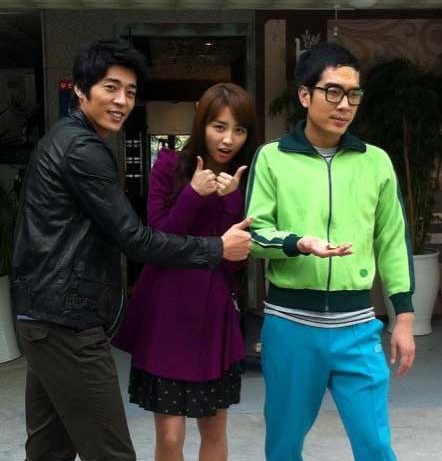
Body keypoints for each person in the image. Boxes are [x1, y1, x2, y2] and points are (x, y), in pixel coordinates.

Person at [12, 41, 252, 461]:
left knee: (50, 449)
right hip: (68, 321)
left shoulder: (66, 140)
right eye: (111, 87)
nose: (122, 101)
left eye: (130, 91)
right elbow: (137, 239)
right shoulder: (84, 149)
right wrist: (216, 246)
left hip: (44, 315)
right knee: (113, 454)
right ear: (81, 89)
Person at [245, 42, 416, 461]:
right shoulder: (273, 158)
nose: (344, 105)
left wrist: (404, 318)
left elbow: (393, 241)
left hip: (357, 327)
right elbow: (253, 236)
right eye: (333, 92)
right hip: (290, 327)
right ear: (305, 95)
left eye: (353, 95)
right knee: (284, 446)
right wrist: (298, 243)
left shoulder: (375, 162)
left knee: (376, 445)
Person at [114, 82, 257, 461]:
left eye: (239, 130)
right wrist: (194, 194)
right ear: (201, 123)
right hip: (166, 313)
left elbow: (237, 262)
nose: (228, 139)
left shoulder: (243, 181)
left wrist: (231, 202)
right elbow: (157, 241)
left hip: (213, 315)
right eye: (219, 126)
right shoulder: (167, 166)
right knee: (170, 437)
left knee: (214, 430)